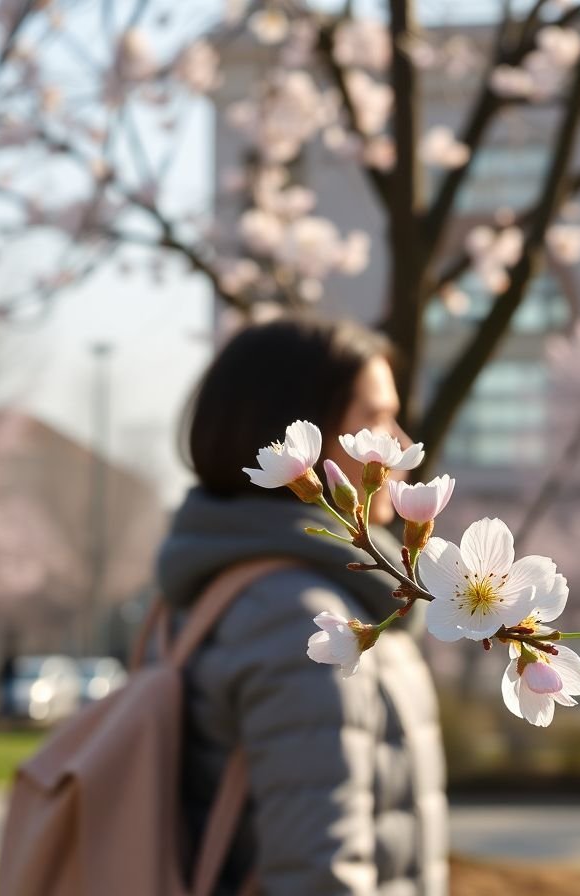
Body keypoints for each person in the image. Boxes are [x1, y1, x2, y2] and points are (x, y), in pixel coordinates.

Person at [156, 313, 448, 895]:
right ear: (292, 430)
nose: (399, 444)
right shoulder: (297, 617)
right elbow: (318, 872)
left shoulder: (227, 587)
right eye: (374, 418)